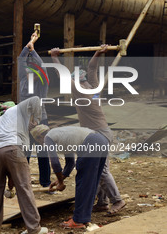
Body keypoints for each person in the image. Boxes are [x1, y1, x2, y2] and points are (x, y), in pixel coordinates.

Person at [50, 46, 126, 216]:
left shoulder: (80, 92)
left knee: (102, 170)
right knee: (97, 168)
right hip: (101, 133)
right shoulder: (93, 87)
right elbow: (92, 68)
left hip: (99, 135)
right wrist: (98, 53)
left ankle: (117, 200)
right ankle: (102, 202)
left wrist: (55, 57)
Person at [0, 96, 48, 234]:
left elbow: (5, 159)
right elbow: (35, 99)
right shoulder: (15, 110)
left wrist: (11, 183)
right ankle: (34, 228)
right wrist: (37, 119)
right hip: (14, 148)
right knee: (24, 189)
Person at [31, 125, 108, 228]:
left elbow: (55, 163)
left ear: (40, 137)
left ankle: (78, 220)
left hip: (90, 143)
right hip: (101, 140)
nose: (40, 143)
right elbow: (70, 162)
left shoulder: (47, 138)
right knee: (90, 182)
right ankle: (83, 218)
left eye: (38, 141)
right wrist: (60, 179)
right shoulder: (60, 134)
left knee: (83, 183)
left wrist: (61, 183)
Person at [18, 33, 51, 187]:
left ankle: (45, 182)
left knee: (43, 153)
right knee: (25, 153)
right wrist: (29, 45)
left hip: (39, 121)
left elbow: (43, 68)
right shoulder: (24, 80)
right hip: (24, 121)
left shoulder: (42, 84)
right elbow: (20, 60)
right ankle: (23, 182)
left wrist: (34, 50)